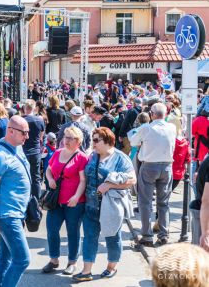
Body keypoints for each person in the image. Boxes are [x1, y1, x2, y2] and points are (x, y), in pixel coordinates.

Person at [73, 127, 136, 282]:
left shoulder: (120, 158)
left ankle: (111, 267)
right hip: (90, 206)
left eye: (96, 140)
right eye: (92, 139)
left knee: (112, 238)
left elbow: (132, 180)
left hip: (110, 208)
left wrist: (109, 185)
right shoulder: (92, 156)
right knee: (89, 237)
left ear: (108, 141)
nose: (93, 143)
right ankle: (86, 271)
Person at [0, 116, 31, 286]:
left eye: (28, 132)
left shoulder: (16, 146)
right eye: (24, 133)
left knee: (6, 257)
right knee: (22, 260)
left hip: (15, 213)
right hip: (7, 215)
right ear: (10, 131)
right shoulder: (0, 155)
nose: (27, 136)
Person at [43, 126, 88, 276]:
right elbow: (49, 169)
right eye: (65, 137)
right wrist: (49, 179)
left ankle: (72, 262)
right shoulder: (57, 153)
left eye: (70, 138)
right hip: (56, 201)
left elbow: (83, 180)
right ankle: (54, 260)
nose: (65, 141)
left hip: (74, 202)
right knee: (52, 229)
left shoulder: (81, 158)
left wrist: (76, 197)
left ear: (78, 141)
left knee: (72, 232)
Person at [130, 103, 176, 246]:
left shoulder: (146, 128)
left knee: (145, 202)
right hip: (167, 166)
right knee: (164, 203)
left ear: (152, 114)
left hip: (149, 166)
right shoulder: (172, 127)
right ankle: (163, 234)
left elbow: (133, 142)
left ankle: (147, 235)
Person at [22, 99, 45, 198]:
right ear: (34, 108)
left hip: (23, 151)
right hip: (35, 151)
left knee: (23, 176)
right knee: (36, 176)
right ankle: (36, 199)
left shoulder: (21, 120)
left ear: (24, 108)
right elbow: (41, 136)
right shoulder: (40, 120)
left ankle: (25, 197)